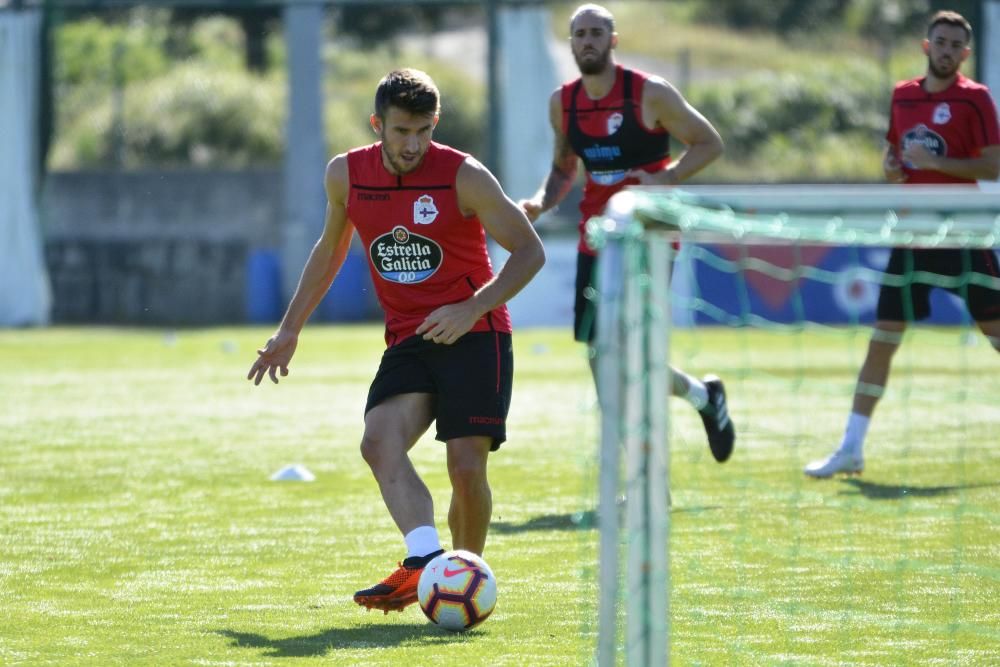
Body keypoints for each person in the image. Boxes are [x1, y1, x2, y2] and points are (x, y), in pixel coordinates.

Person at [248, 68, 545, 612]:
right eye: (402, 131)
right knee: (377, 441)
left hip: (475, 333)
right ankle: (426, 564)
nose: (413, 144)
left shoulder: (464, 175)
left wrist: (473, 305)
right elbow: (330, 250)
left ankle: (465, 585)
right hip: (409, 338)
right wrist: (290, 328)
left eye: (424, 131)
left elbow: (530, 251)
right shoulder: (346, 175)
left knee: (465, 466)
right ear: (377, 125)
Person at [519, 3, 734, 462]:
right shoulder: (564, 102)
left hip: (650, 234)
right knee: (600, 355)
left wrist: (668, 177)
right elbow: (563, 169)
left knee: (634, 355)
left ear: (613, 41)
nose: (588, 41)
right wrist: (541, 200)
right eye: (580, 34)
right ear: (572, 43)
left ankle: (645, 464)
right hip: (597, 238)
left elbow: (709, 141)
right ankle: (693, 405)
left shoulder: (649, 93)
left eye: (597, 33)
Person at [804, 10, 1000, 478]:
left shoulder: (976, 99)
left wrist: (939, 160)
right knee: (883, 339)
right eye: (941, 41)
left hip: (963, 235)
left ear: (966, 54)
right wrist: (891, 166)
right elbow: (895, 157)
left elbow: (991, 167)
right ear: (925, 46)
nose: (948, 50)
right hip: (912, 238)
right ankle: (851, 447)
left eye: (956, 44)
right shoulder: (902, 95)